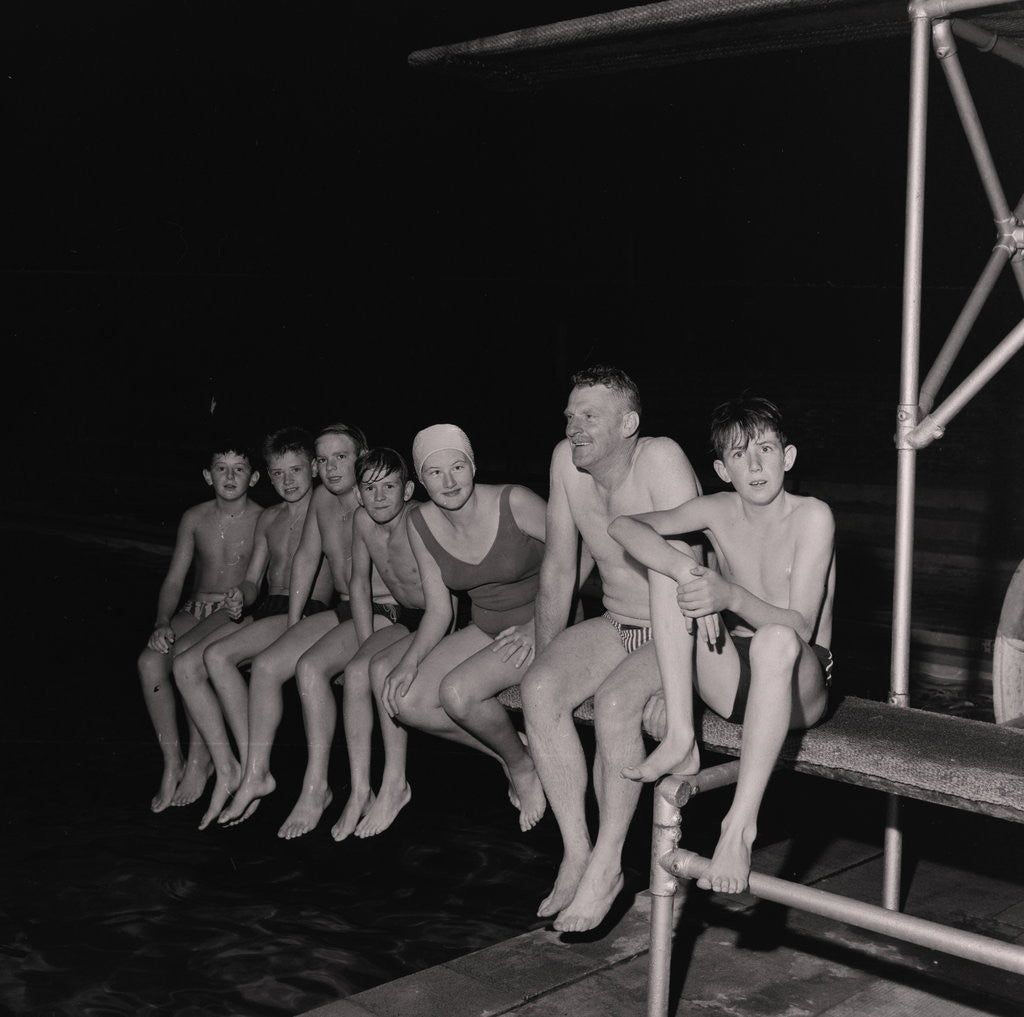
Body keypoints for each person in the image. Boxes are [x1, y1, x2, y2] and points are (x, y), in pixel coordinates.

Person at [608, 393, 834, 895]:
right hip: (733, 674)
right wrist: (689, 573)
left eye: (766, 450)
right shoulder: (715, 509)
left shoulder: (813, 516)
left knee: (775, 640)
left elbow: (799, 626)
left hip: (799, 680)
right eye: (739, 455)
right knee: (670, 570)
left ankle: (739, 827)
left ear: (788, 457)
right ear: (722, 468)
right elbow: (623, 525)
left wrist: (726, 593)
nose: (755, 466)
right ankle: (681, 736)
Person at [519, 364, 702, 933]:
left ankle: (608, 865)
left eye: (588, 416)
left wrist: (682, 688)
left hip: (682, 631)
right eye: (569, 416)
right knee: (540, 687)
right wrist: (547, 663)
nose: (573, 427)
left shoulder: (661, 459)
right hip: (617, 623)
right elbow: (557, 568)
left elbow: (687, 577)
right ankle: (577, 850)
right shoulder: (565, 466)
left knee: (619, 704)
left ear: (629, 423)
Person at [218, 422, 394, 836]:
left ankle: (317, 787)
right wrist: (294, 622)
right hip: (345, 610)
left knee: (310, 669)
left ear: (361, 457)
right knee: (265, 666)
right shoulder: (320, 498)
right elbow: (306, 558)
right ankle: (256, 773)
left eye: (341, 458)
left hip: (384, 614)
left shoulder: (378, 499)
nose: (331, 469)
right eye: (323, 460)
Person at [375, 423, 548, 833]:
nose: (449, 481)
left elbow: (579, 554)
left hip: (546, 623)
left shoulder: (515, 501)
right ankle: (514, 753)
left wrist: (538, 624)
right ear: (420, 479)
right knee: (408, 700)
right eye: (435, 472)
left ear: (472, 465)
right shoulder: (420, 523)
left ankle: (523, 768)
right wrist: (408, 661)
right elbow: (438, 609)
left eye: (457, 466)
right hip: (489, 628)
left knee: (457, 694)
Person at [171, 426, 334, 830]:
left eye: (296, 470)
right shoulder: (271, 518)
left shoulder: (325, 509)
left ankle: (255, 772)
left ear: (313, 469)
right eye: (278, 474)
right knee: (186, 665)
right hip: (267, 608)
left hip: (306, 611)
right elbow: (254, 578)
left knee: (217, 655)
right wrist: (241, 595)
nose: (287, 481)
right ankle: (235, 766)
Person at [136, 437, 262, 812]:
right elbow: (175, 580)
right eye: (221, 468)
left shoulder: (261, 519)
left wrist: (242, 596)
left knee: (186, 661)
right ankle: (172, 760)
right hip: (193, 609)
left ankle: (199, 760)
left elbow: (256, 581)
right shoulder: (194, 518)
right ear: (208, 475)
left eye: (239, 468)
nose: (229, 475)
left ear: (254, 478)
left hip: (234, 611)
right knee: (148, 662)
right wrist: (161, 622)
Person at [330, 447, 431, 841]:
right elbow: (358, 582)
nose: (379, 496)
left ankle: (395, 783)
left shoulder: (420, 519)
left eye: (389, 486)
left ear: (407, 490)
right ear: (358, 494)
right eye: (369, 488)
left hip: (445, 620)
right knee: (357, 668)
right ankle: (359, 789)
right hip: (406, 617)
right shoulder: (361, 521)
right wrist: (365, 640)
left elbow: (447, 599)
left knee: (378, 671)